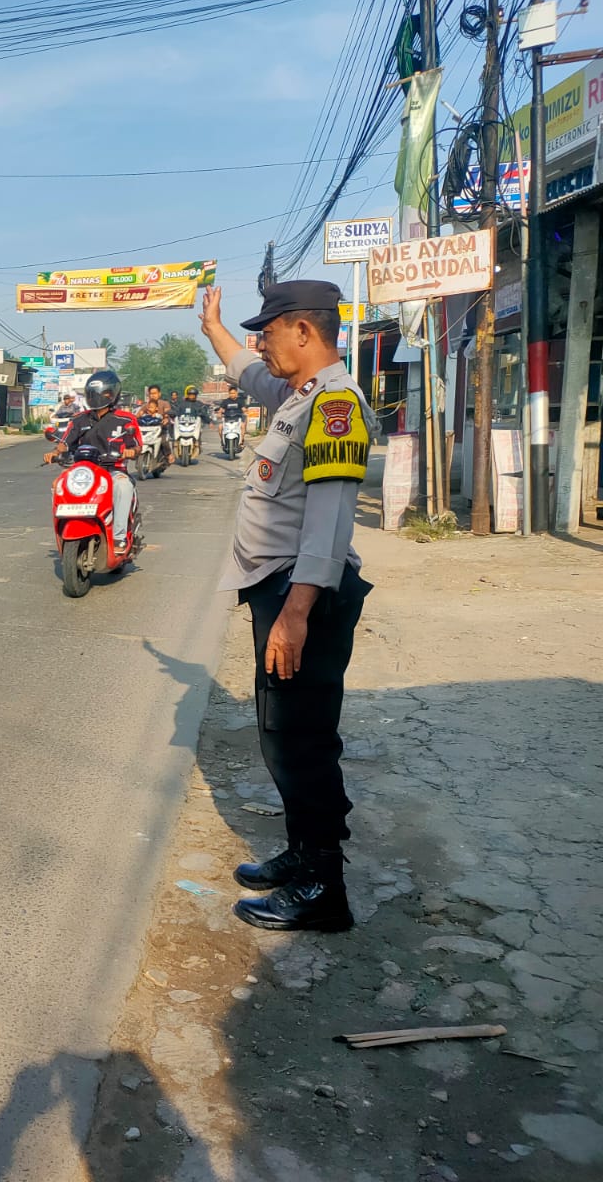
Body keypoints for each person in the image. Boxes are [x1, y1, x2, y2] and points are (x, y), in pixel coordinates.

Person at [199, 281, 377, 934]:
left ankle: (322, 888)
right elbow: (246, 373)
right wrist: (212, 328)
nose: (260, 342)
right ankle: (303, 855)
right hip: (284, 592)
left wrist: (296, 614)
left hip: (305, 597)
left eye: (269, 331)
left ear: (304, 332)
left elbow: (328, 523)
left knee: (300, 740)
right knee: (283, 732)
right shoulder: (300, 396)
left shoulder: (334, 406)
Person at [42, 369, 139, 550]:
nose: (98, 397)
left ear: (113, 394)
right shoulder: (79, 420)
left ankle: (119, 537)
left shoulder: (125, 420)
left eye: (103, 393)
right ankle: (63, 528)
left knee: (123, 486)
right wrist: (55, 452)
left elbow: (136, 446)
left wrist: (131, 452)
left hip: (113, 471)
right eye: (94, 393)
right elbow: (65, 442)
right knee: (58, 485)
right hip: (84, 472)